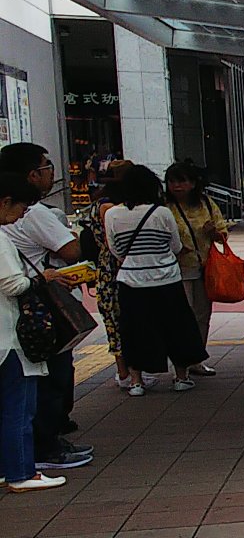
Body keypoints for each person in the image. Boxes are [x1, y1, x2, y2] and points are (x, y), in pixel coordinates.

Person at [0, 143, 92, 474]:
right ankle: (28, 463)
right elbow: (15, 282)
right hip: (25, 319)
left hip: (13, 324)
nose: (51, 173)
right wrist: (42, 278)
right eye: (46, 167)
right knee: (33, 391)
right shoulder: (34, 214)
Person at [103, 164, 208, 394]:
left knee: (134, 330)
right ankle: (181, 377)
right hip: (166, 279)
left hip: (131, 281)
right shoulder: (162, 213)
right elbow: (175, 246)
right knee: (176, 327)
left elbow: (116, 250)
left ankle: (136, 382)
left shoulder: (112, 214)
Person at [0, 173, 63, 492]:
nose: (21, 216)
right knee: (18, 407)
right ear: (5, 202)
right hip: (8, 336)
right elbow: (13, 283)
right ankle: (21, 472)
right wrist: (39, 278)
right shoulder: (0, 239)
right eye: (20, 209)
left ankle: (6, 468)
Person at [165, 162, 228, 374]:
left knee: (202, 315)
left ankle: (196, 358)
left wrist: (213, 233)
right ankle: (180, 362)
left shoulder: (206, 204)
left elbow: (223, 235)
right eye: (172, 181)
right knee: (182, 316)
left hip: (205, 268)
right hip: (176, 269)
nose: (176, 186)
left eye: (182, 181)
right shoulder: (165, 207)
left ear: (193, 183)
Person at [92, 158, 137, 391]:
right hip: (116, 268)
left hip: (109, 268)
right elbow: (114, 245)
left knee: (119, 321)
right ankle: (125, 371)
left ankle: (129, 371)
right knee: (120, 320)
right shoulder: (109, 208)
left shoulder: (103, 203)